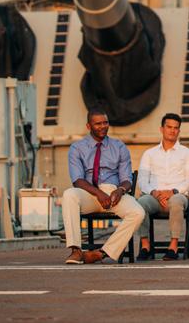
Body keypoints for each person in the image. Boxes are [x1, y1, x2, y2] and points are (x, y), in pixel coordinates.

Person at [62, 107, 144, 264]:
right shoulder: (77, 148)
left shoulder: (119, 147)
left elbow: (127, 179)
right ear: (89, 126)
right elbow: (78, 180)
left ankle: (102, 253)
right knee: (69, 195)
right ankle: (76, 250)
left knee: (138, 212)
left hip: (113, 194)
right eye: (98, 123)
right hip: (89, 194)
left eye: (105, 123)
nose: (103, 126)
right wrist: (99, 194)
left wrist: (120, 190)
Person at [136, 112, 189, 261]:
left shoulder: (187, 153)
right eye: (169, 127)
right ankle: (145, 246)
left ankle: (173, 246)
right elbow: (142, 180)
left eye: (176, 128)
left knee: (176, 201)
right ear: (161, 129)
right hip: (154, 197)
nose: (172, 130)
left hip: (177, 196)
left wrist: (173, 191)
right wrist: (155, 193)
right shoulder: (149, 154)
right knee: (140, 203)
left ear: (179, 131)